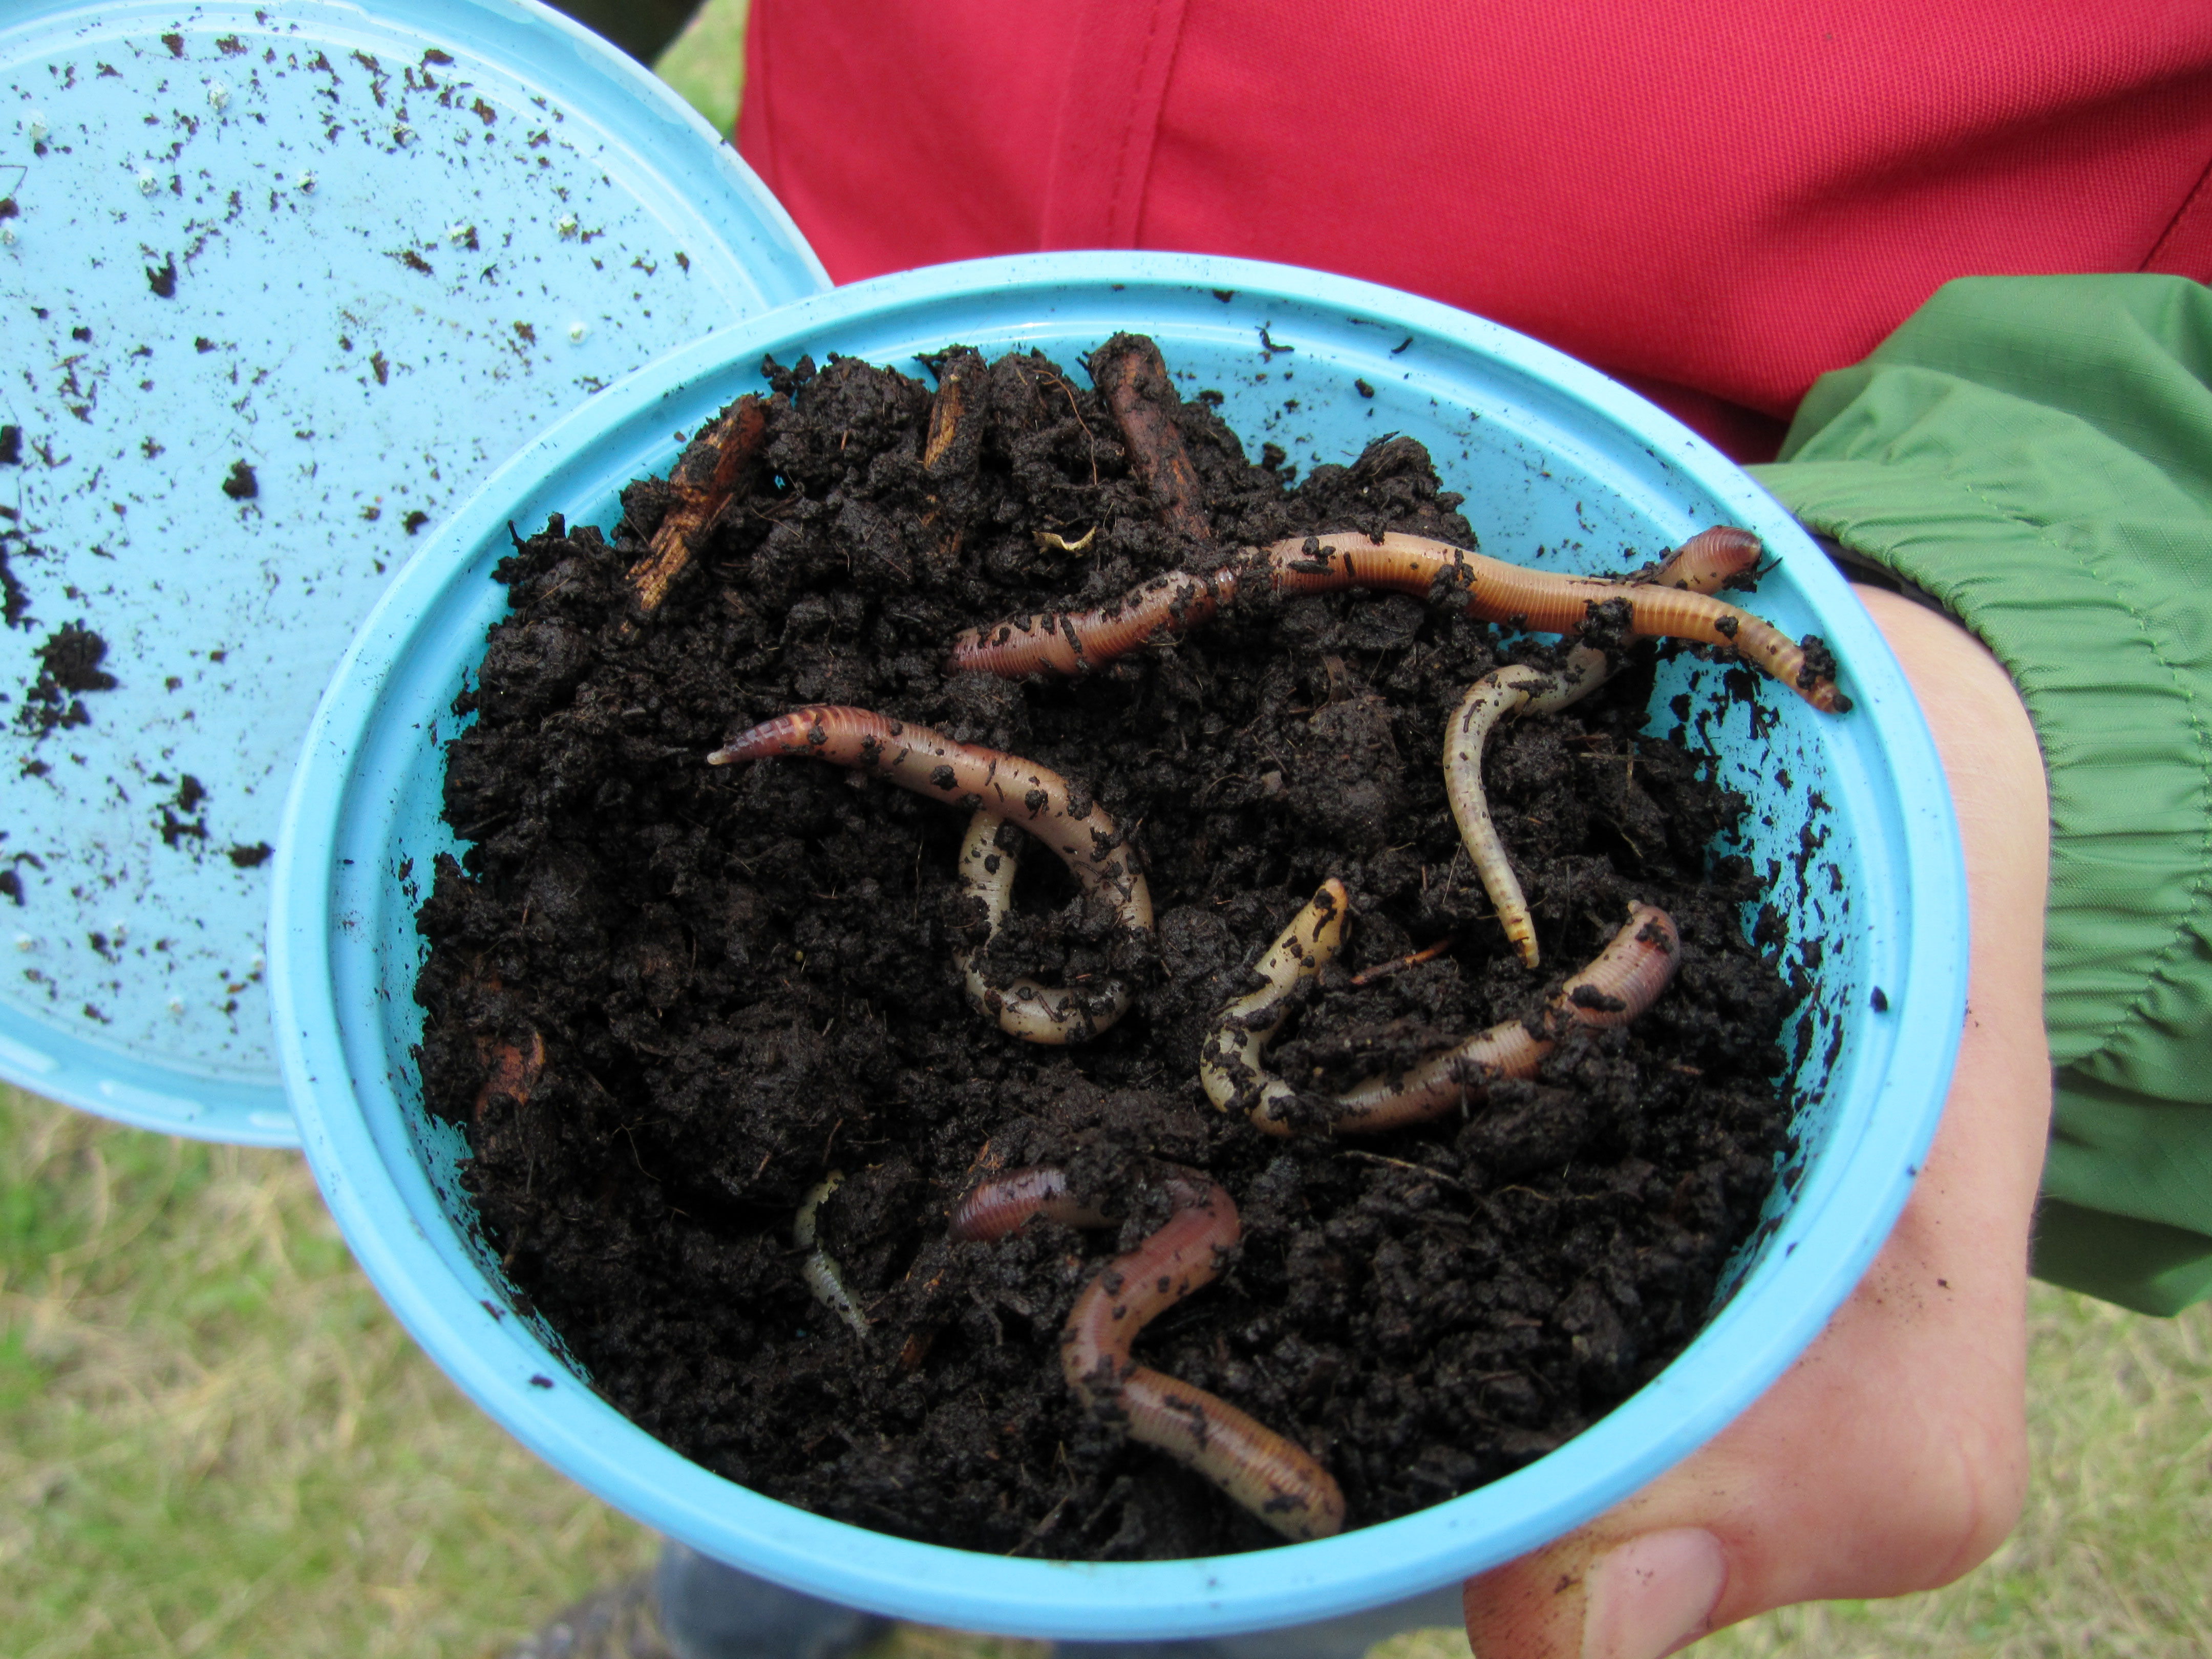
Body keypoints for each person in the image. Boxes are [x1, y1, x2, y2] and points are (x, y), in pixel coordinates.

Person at [516, 4, 2212, 1654]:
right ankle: (737, 1621)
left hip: (1744, 491)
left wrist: (2003, 679)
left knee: (1217, 1558)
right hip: (853, 295)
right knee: (795, 1465)